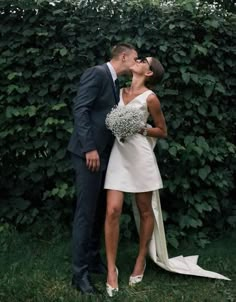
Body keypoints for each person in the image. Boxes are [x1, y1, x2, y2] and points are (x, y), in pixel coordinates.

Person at [67, 43, 138, 295]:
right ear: (124, 56)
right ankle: (79, 274)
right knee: (85, 214)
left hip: (104, 156)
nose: (136, 63)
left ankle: (94, 260)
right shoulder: (97, 73)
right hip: (89, 155)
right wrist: (89, 148)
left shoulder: (113, 81)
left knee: (98, 211)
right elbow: (81, 109)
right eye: (135, 58)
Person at [104, 56, 167, 297]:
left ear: (149, 73)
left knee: (144, 210)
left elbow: (162, 131)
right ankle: (112, 269)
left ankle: (141, 259)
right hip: (119, 156)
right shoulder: (118, 91)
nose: (137, 60)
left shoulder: (151, 98)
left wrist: (140, 127)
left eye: (143, 60)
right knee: (112, 210)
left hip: (140, 157)